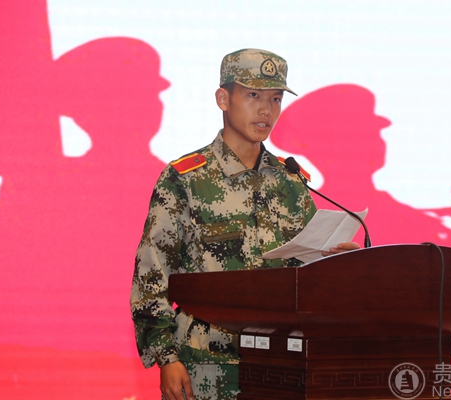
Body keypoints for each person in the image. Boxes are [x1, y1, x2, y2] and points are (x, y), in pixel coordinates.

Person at [130, 48, 359, 400]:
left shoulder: (290, 181)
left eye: (276, 98)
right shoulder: (186, 179)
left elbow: (303, 273)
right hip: (205, 366)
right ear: (223, 99)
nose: (266, 110)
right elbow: (152, 273)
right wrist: (167, 358)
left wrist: (334, 262)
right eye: (253, 95)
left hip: (279, 366)